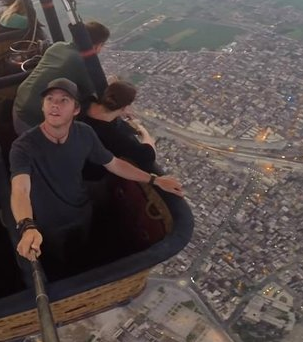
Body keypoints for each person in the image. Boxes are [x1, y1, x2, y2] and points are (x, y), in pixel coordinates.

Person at [10, 78, 184, 280]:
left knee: (84, 246)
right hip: (48, 222)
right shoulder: (23, 146)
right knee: (58, 258)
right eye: (50, 99)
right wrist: (27, 226)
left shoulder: (85, 133)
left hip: (81, 208)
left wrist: (154, 179)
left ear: (76, 109)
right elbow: (20, 190)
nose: (55, 105)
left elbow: (114, 163)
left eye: (64, 100)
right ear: (43, 106)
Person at [13, 21, 111, 134]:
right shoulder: (83, 62)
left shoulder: (58, 46)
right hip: (33, 123)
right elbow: (95, 96)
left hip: (18, 107)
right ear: (97, 46)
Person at [82, 80, 157, 179]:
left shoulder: (84, 103)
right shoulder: (118, 136)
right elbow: (149, 156)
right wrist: (144, 131)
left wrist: (119, 112)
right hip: (88, 173)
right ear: (126, 107)